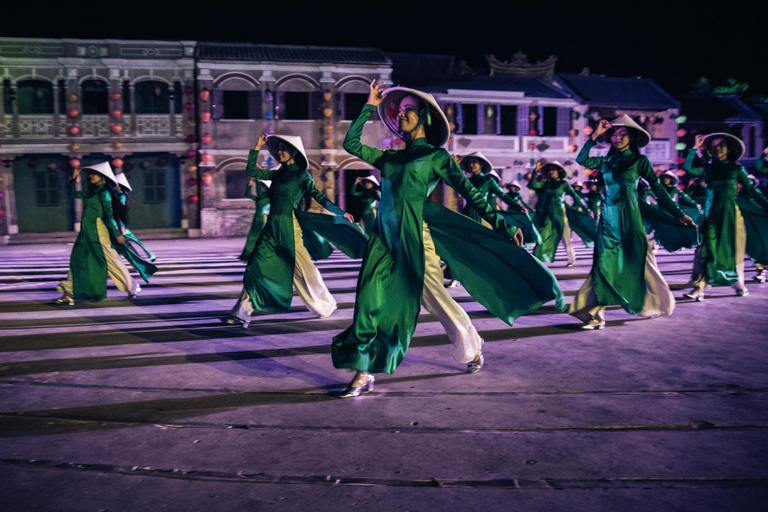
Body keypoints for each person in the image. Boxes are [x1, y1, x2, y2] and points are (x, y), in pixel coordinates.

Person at [332, 81, 563, 396]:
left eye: (409, 110)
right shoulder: (389, 158)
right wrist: (370, 106)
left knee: (436, 300)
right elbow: (351, 144)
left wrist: (501, 223)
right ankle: (364, 371)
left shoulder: (436, 157)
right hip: (382, 242)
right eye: (398, 112)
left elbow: (468, 191)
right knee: (368, 303)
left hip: (415, 239)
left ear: (425, 116)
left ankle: (473, 347)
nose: (401, 116)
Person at [569, 116, 695, 329]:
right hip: (607, 220)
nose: (618, 137)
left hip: (630, 219)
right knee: (602, 265)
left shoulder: (639, 161)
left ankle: (655, 302)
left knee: (639, 262)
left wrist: (678, 213)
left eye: (623, 133)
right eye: (615, 134)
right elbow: (581, 159)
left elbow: (658, 189)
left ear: (632, 137)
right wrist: (594, 136)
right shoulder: (606, 161)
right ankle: (594, 313)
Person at [223, 134, 355, 326]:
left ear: (294, 151)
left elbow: (319, 196)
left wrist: (339, 211)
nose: (280, 152)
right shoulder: (277, 173)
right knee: (257, 268)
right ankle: (241, 312)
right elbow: (252, 170)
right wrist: (257, 146)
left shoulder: (301, 175)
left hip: (289, 228)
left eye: (284, 148)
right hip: (270, 228)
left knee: (304, 272)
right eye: (279, 149)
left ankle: (325, 305)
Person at [682, 133, 768, 300]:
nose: (717, 148)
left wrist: (766, 206)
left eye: (721, 145)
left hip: (731, 217)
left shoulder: (737, 169)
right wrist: (694, 148)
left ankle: (738, 284)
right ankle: (698, 288)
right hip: (710, 216)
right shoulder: (708, 169)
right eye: (713, 146)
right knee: (704, 250)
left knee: (732, 252)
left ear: (729, 149)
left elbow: (752, 192)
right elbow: (688, 168)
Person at [54, 162, 139, 305]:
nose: (91, 176)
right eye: (91, 174)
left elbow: (110, 216)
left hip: (99, 231)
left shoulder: (105, 194)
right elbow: (73, 193)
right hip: (86, 231)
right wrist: (74, 179)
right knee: (78, 259)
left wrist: (117, 233)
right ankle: (69, 291)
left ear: (103, 177)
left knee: (111, 261)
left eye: (94, 174)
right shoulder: (92, 192)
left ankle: (131, 286)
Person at [528, 160, 589, 266]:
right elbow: (532, 185)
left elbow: (576, 196)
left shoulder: (563, 184)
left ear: (558, 171)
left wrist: (585, 209)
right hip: (547, 214)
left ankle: (571, 259)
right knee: (542, 235)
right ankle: (537, 259)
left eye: (553, 169)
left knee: (566, 238)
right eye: (549, 170)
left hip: (560, 214)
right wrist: (535, 170)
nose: (551, 172)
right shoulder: (545, 184)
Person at [239, 177, 271, 262]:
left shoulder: (270, 198)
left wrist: (258, 182)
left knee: (262, 238)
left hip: (264, 220)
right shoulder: (259, 198)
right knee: (252, 238)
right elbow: (247, 194)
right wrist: (250, 184)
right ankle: (250, 254)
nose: (260, 190)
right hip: (257, 220)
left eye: (262, 187)